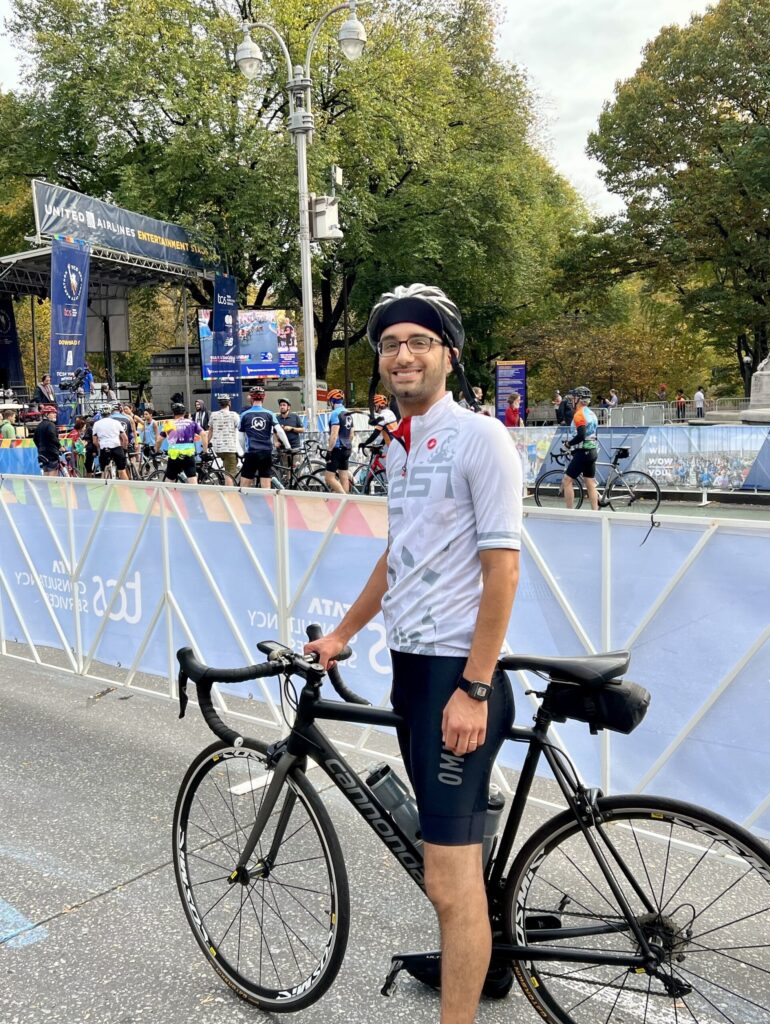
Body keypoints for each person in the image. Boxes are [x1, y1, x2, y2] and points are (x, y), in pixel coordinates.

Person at [304, 283, 522, 1023]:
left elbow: (504, 571)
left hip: (453, 678)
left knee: (447, 882)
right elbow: (401, 558)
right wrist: (341, 634)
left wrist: (476, 688)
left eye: (419, 342)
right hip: (412, 672)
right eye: (392, 344)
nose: (403, 355)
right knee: (453, 871)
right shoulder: (401, 446)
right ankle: (484, 966)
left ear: (448, 356)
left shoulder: (479, 437)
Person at [239, 385, 288, 488]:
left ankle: (244, 503)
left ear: (251, 398)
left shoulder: (244, 415)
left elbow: (241, 437)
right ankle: (267, 503)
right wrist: (288, 447)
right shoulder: (270, 414)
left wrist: (243, 451)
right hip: (266, 452)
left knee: (244, 485)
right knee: (266, 486)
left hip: (251, 452)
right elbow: (279, 431)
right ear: (264, 398)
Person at [563, 385, 600, 510]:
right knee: (590, 483)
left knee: (567, 481)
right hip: (592, 451)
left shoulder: (579, 415)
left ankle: (569, 512)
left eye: (573, 397)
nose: (572, 399)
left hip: (583, 451)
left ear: (579, 399)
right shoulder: (592, 414)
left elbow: (581, 435)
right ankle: (596, 513)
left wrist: (569, 444)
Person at [161, 403, 206, 483]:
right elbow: (204, 434)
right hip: (188, 455)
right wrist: (205, 451)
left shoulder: (169, 424)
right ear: (184, 413)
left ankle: (167, 494)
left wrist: (156, 449)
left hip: (174, 456)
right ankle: (194, 495)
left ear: (173, 413)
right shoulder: (191, 423)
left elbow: (159, 439)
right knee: (192, 481)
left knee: (169, 482)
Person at [325, 389, 354, 493]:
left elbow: (334, 435)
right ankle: (345, 503)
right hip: (347, 448)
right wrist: (347, 444)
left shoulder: (335, 414)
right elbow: (352, 434)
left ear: (332, 402)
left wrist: (329, 450)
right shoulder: (348, 413)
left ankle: (344, 499)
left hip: (337, 449)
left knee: (329, 478)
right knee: (344, 478)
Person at [209, 394, 242, 485]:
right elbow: (241, 430)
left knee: (227, 466)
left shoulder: (213, 415)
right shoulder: (234, 415)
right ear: (229, 403)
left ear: (219, 404)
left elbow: (210, 431)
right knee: (230, 474)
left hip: (218, 449)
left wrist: (207, 443)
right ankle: (229, 494)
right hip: (230, 448)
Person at [92, 404, 130, 480]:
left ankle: (105, 488)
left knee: (104, 472)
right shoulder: (116, 423)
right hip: (117, 447)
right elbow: (125, 439)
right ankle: (126, 489)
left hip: (104, 448)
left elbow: (95, 441)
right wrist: (124, 449)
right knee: (122, 471)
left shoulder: (96, 424)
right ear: (110, 412)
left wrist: (99, 447)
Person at [276, 397, 304, 476]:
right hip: (283, 449)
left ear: (288, 407)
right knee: (286, 471)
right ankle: (288, 486)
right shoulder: (277, 418)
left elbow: (302, 430)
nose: (282, 407)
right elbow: (274, 432)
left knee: (297, 471)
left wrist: (292, 429)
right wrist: (276, 441)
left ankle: (297, 486)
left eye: (284, 405)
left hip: (295, 448)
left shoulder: (295, 417)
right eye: (280, 405)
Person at [34, 405, 61, 476]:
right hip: (51, 453)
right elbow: (52, 437)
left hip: (42, 454)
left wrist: (40, 447)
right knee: (53, 475)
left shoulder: (39, 425)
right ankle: (53, 487)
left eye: (55, 413)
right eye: (53, 413)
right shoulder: (51, 424)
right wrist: (60, 446)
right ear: (46, 415)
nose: (55, 414)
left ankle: (45, 487)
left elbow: (35, 439)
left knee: (45, 473)